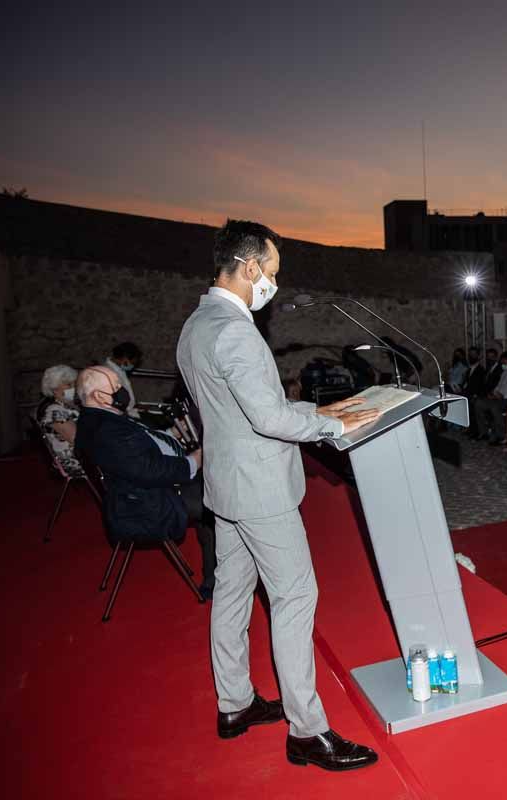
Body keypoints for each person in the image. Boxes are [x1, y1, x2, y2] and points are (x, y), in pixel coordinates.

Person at [175, 219, 380, 771]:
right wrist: (332, 426)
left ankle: (235, 704)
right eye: (272, 270)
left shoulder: (196, 324)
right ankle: (308, 732)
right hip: (261, 490)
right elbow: (266, 417)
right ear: (249, 267)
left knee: (233, 597)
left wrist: (318, 410)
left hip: (227, 484)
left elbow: (235, 412)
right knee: (294, 600)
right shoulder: (236, 330)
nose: (274, 282)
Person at [75, 366, 217, 598]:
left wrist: (172, 434)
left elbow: (140, 450)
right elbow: (150, 470)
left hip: (136, 493)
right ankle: (215, 579)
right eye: (116, 386)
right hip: (144, 505)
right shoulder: (107, 431)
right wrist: (195, 460)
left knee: (210, 486)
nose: (122, 390)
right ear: (99, 396)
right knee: (218, 498)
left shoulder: (95, 419)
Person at [473, 352, 507, 444]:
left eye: (504, 363)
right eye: (502, 363)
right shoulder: (505, 372)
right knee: (478, 403)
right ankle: (484, 432)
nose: (503, 365)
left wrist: (504, 396)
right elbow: (499, 386)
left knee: (494, 407)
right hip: (499, 398)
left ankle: (502, 435)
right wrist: (494, 393)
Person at [37, 364, 83, 476]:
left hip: (80, 454)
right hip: (74, 460)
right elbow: (78, 440)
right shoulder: (54, 411)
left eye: (74, 384)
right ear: (54, 389)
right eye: (68, 385)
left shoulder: (66, 405)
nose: (73, 388)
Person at [105, 341, 142, 418]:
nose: (132, 365)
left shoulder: (119, 370)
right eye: (132, 362)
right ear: (124, 358)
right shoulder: (108, 372)